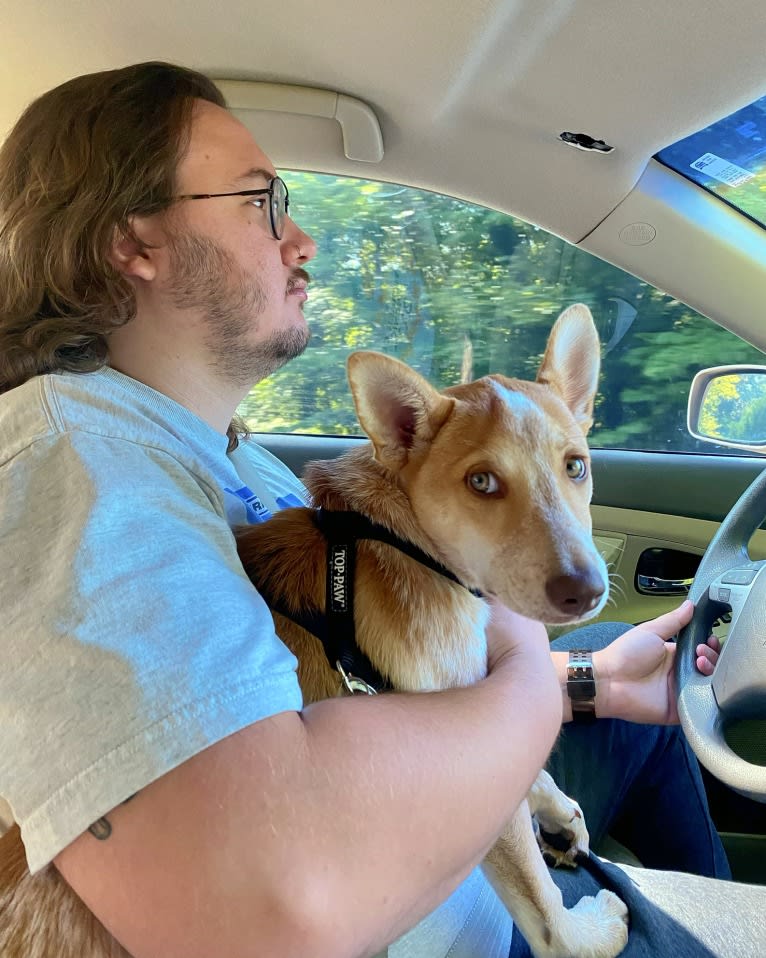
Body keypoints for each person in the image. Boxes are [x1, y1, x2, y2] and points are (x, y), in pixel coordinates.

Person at [0, 61, 763, 958]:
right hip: (456, 927)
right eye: (263, 202)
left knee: (646, 695)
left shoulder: (211, 448)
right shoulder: (76, 467)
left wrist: (579, 685)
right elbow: (270, 910)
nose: (304, 239)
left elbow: (348, 675)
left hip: (451, 857)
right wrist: (529, 692)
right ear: (134, 243)